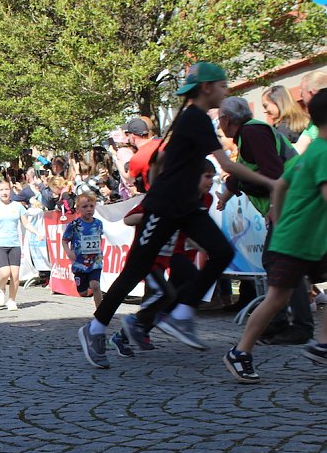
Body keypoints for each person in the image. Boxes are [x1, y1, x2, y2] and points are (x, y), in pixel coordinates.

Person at [77, 61, 272, 368]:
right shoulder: (194, 118)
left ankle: (180, 314)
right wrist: (273, 183)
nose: (226, 89)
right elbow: (228, 166)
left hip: (185, 207)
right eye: (223, 85)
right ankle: (95, 328)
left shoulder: (189, 118)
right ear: (206, 88)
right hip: (166, 207)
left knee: (221, 252)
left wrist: (160, 181)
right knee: (135, 272)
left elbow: (160, 159)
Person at [224, 88, 327, 382]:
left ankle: (322, 343)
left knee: (278, 298)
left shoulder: (314, 150)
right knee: (276, 300)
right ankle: (240, 352)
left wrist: (278, 217)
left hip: (301, 237)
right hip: (298, 240)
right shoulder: (324, 153)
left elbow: (280, 184)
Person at [216, 96, 311, 346]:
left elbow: (272, 172)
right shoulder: (249, 134)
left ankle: (294, 326)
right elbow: (246, 173)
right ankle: (282, 324)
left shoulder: (252, 133)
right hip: (290, 201)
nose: (218, 124)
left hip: (289, 202)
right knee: (280, 261)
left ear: (226, 119)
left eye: (219, 119)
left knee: (279, 261)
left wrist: (273, 206)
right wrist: (226, 195)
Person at [120, 161, 215, 354]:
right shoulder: (171, 197)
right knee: (179, 288)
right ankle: (136, 326)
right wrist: (159, 217)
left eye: (213, 177)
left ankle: (129, 333)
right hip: (165, 253)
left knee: (167, 299)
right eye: (207, 177)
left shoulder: (207, 199)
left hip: (184, 253)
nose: (211, 182)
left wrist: (206, 244)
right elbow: (129, 219)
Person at [0, 179, 43, 310]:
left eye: (6, 189)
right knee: (5, 272)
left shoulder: (18, 206)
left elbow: (26, 224)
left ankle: (11, 300)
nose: (4, 192)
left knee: (15, 274)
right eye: (1, 190)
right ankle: (0, 287)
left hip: (14, 244)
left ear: (10, 190)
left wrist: (37, 232)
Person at [63, 193, 105, 311]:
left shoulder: (98, 224)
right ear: (78, 209)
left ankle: (100, 313)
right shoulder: (74, 225)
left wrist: (98, 252)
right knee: (82, 292)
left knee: (95, 285)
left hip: (95, 261)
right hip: (79, 263)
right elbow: (65, 240)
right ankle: (87, 287)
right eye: (85, 206)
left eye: (91, 206)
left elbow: (99, 238)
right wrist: (68, 252)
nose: (89, 209)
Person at [295, 71, 327, 154]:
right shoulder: (311, 123)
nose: (301, 96)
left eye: (302, 91)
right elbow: (299, 147)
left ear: (312, 92)